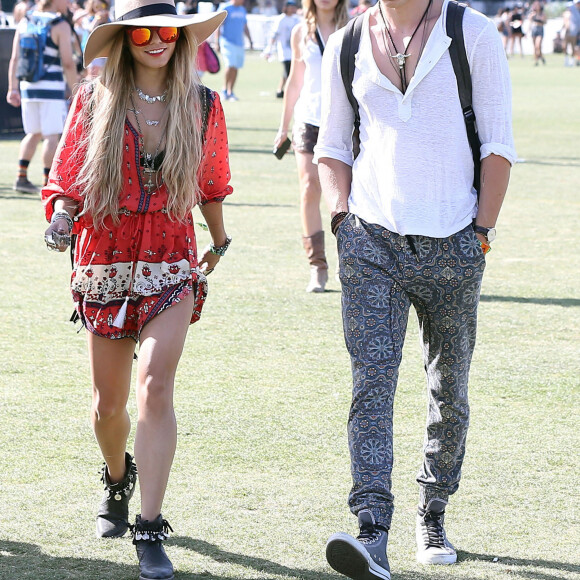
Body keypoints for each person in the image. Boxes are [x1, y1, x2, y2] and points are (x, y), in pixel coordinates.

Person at [314, 0, 516, 577]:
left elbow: (497, 143)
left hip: (456, 237)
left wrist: (480, 235)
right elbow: (333, 145)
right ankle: (371, 528)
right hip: (371, 240)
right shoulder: (348, 41)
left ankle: (433, 511)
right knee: (371, 387)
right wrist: (341, 220)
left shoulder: (471, 33)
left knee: (449, 388)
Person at [40, 1, 231, 579]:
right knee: (108, 409)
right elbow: (67, 179)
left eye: (166, 31)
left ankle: (149, 528)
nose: (156, 41)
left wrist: (218, 242)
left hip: (170, 265)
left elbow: (212, 182)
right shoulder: (95, 99)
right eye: (142, 32)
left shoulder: (203, 105)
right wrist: (60, 216)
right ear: (125, 39)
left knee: (156, 385)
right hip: (105, 261)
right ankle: (116, 479)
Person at [273, 0, 349, 293]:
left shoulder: (353, 28)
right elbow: (295, 80)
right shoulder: (300, 31)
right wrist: (283, 126)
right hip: (308, 119)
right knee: (309, 188)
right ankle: (317, 266)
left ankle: (351, 263)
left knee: (346, 195)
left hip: (344, 121)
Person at [7, 0, 80, 194]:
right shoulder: (60, 25)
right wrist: (76, 90)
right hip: (51, 89)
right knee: (52, 135)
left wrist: (12, 88)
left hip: (27, 86)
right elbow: (68, 62)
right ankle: (48, 183)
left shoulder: (25, 21)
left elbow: (15, 58)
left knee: (33, 132)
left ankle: (21, 177)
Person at [217, 0, 253, 101]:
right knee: (230, 65)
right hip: (227, 41)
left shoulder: (242, 9)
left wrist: (250, 40)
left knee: (236, 67)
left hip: (239, 43)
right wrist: (217, 42)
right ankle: (224, 90)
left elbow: (245, 27)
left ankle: (230, 91)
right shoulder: (225, 8)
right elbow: (219, 26)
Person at [266, 0, 300, 98]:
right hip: (284, 50)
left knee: (289, 72)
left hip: (294, 50)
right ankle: (284, 90)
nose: (293, 8)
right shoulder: (281, 19)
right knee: (288, 71)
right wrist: (269, 49)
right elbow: (274, 34)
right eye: (291, 6)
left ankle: (280, 90)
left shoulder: (296, 19)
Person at [562, 0, 580, 66]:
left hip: (574, 33)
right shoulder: (566, 13)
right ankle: (566, 61)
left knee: (573, 47)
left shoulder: (576, 13)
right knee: (564, 47)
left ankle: (572, 61)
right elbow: (565, 22)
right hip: (567, 32)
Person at [528, 1, 546, 66]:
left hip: (540, 29)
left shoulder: (542, 14)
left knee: (538, 45)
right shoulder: (532, 14)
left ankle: (541, 57)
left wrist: (541, 20)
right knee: (535, 47)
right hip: (534, 29)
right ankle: (537, 60)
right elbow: (529, 23)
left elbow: (545, 22)